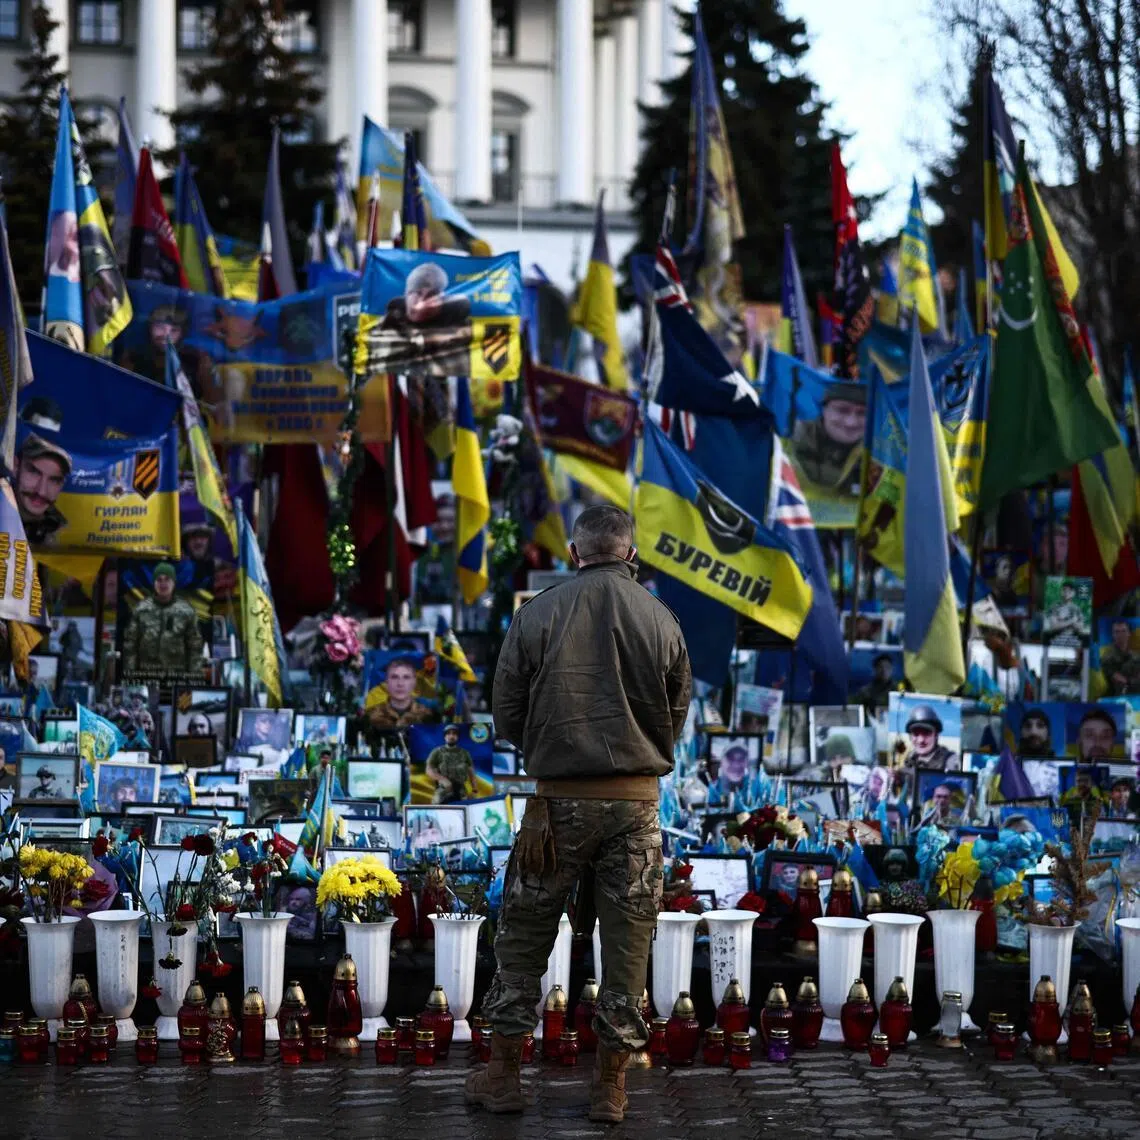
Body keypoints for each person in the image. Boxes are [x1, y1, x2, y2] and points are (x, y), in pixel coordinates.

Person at [469, 505, 690, 1122]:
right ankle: (611, 1090)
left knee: (523, 941)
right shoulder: (661, 619)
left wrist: (552, 744)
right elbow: (675, 714)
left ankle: (505, 1077)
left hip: (557, 806)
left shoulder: (537, 614)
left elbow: (507, 711)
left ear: (574, 553)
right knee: (627, 949)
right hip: (635, 809)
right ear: (631, 554)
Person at [370, 262, 474, 376]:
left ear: (442, 301)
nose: (421, 302)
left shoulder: (460, 333)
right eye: (417, 293)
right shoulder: (385, 327)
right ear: (406, 294)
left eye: (431, 295)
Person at [122, 563, 204, 676]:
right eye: (159, 580)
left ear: (174, 583)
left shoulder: (187, 611)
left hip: (177, 676)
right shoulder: (141, 609)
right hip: (146, 675)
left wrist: (194, 677)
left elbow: (195, 646)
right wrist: (130, 674)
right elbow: (130, 644)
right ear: (154, 583)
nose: (163, 584)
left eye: (167, 579)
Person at [789, 383, 867, 492]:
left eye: (862, 413)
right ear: (823, 410)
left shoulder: (883, 454)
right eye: (842, 410)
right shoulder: (789, 441)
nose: (851, 422)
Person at [14, 433, 71, 544]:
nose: (41, 491)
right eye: (34, 472)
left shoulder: (66, 533)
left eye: (54, 480)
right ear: (16, 466)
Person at [366, 657, 434, 729]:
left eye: (406, 677)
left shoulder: (427, 717)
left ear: (414, 682)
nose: (400, 683)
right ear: (387, 681)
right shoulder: (371, 716)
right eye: (394, 677)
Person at [425, 725, 475, 804]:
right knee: (436, 806)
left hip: (461, 789)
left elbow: (471, 771)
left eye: (454, 734)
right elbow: (429, 769)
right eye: (448, 734)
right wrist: (441, 779)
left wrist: (474, 788)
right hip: (444, 788)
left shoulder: (464, 753)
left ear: (457, 737)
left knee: (467, 806)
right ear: (445, 736)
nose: (451, 736)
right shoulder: (437, 752)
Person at [902, 705, 959, 771]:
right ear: (910, 737)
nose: (921, 740)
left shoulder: (950, 762)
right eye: (916, 734)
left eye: (926, 733)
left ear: (936, 736)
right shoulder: (910, 759)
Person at [1100, 620, 1140, 695]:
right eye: (1117, 632)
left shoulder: (1136, 656)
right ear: (1113, 635)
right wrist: (1131, 681)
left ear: (1129, 633)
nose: (1120, 635)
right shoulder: (1107, 657)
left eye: (1124, 631)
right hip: (1117, 696)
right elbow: (1119, 680)